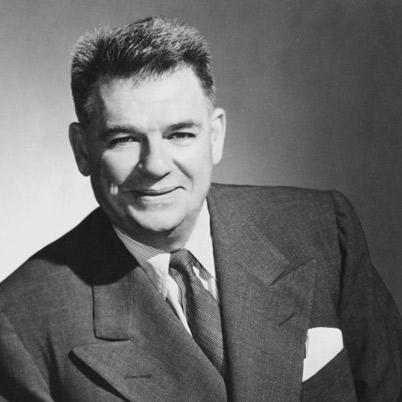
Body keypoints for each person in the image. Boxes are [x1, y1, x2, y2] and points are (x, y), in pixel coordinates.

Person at [0, 16, 401, 402]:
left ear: (215, 136)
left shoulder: (322, 229)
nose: (155, 165)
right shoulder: (21, 321)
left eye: (179, 134)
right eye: (124, 139)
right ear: (82, 151)